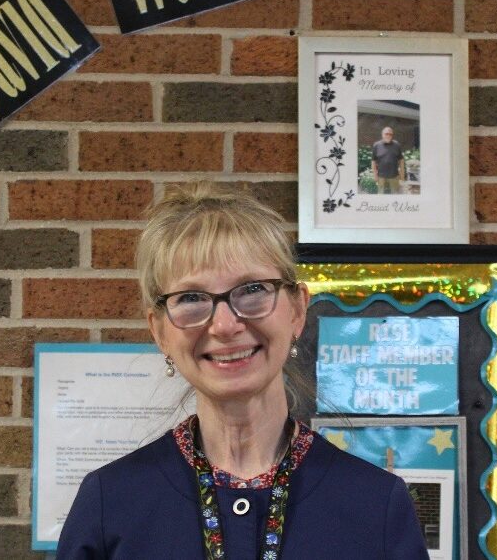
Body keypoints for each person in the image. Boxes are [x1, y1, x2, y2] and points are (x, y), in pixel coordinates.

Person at [56, 182, 430, 560]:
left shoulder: (377, 505)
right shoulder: (110, 503)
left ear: (297, 310)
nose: (224, 325)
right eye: (190, 298)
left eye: (252, 289)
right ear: (159, 331)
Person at [371, 127, 404, 194]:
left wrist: (402, 174)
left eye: (390, 134)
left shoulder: (397, 145)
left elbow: (401, 160)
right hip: (381, 176)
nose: (388, 135)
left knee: (394, 194)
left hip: (394, 176)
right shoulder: (376, 145)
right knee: (381, 194)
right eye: (386, 134)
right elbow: (373, 161)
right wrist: (375, 175)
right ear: (382, 134)